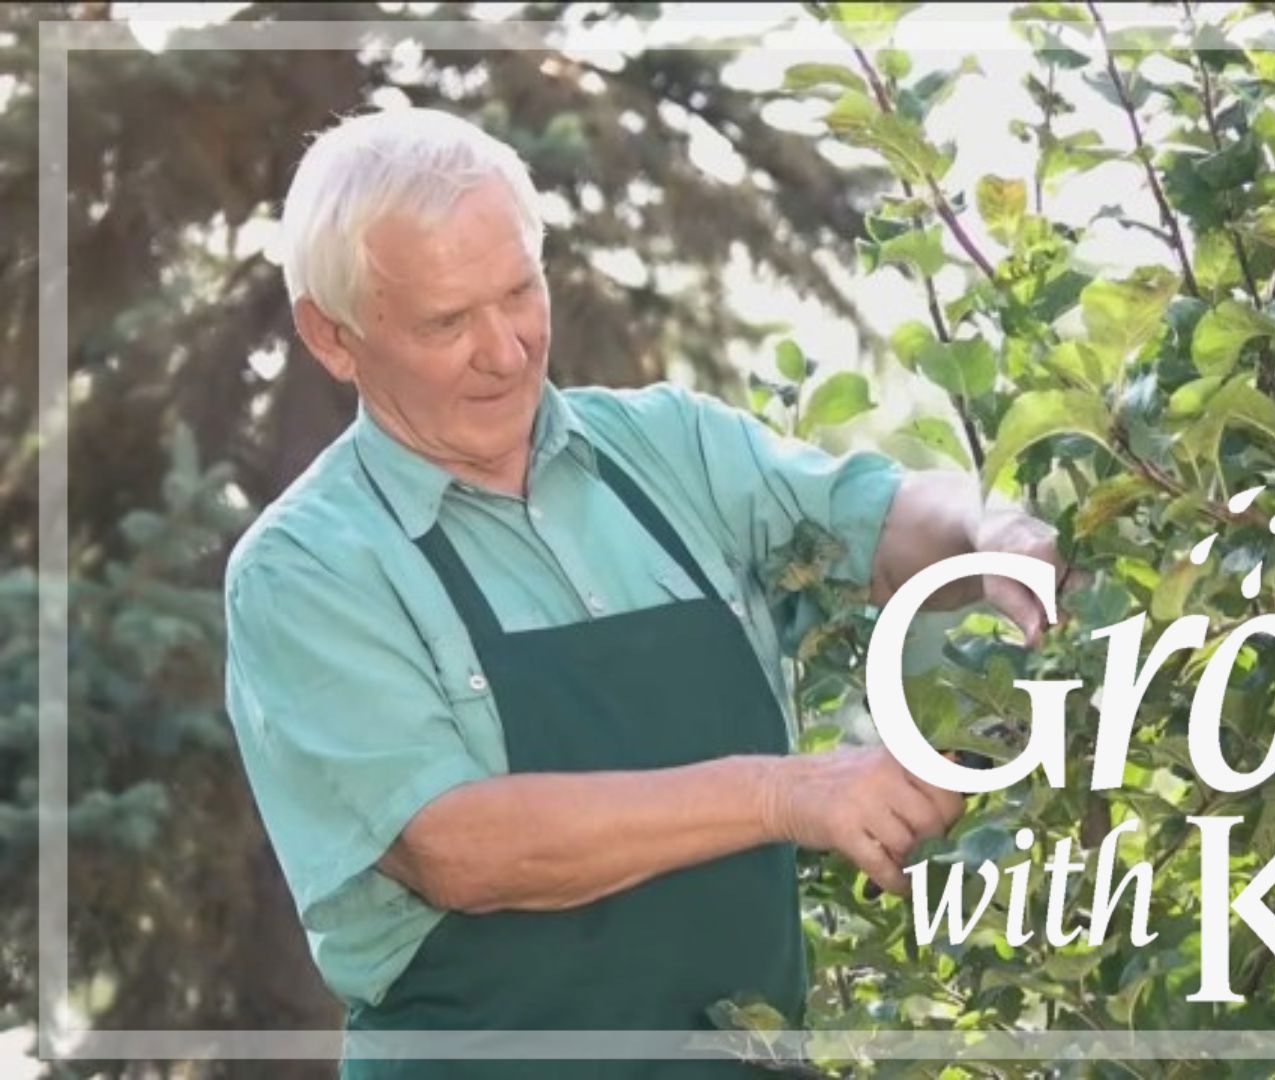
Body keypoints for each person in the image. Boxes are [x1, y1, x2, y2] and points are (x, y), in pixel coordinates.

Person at [222, 107, 1067, 1077]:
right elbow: (459, 849)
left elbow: (872, 521)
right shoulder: (311, 567)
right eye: (447, 322)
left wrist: (984, 525)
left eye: (518, 292)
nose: (504, 351)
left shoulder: (668, 449)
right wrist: (787, 792)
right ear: (333, 338)